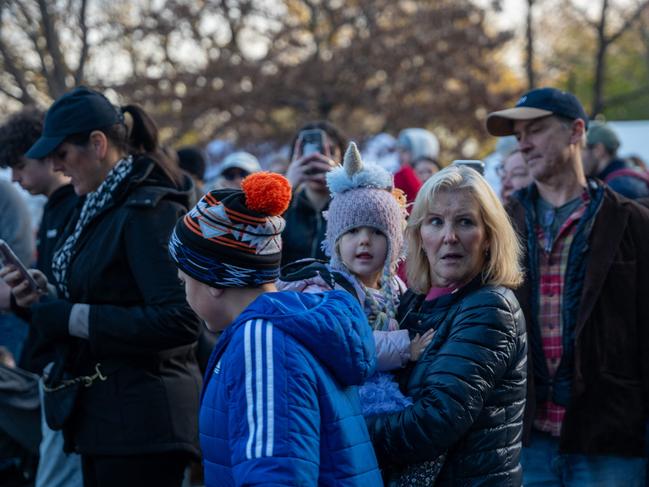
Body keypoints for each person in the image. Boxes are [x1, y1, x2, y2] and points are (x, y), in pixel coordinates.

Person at [1, 86, 202, 487]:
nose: (58, 167)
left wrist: (71, 316)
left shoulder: (148, 208)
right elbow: (104, 292)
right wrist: (42, 298)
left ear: (97, 145)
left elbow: (180, 320)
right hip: (111, 423)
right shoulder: (101, 204)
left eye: (62, 154)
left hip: (145, 428)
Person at [168, 172, 382, 486]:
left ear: (214, 281)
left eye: (185, 281)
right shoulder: (281, 330)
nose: (185, 293)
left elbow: (275, 475)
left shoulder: (262, 341)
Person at [487, 87, 649, 485]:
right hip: (524, 440)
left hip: (610, 440)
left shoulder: (633, 223)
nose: (523, 144)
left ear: (577, 131)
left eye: (536, 130)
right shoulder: (499, 226)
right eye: (519, 135)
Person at [366, 164, 527, 485]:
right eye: (435, 222)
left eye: (465, 222)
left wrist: (340, 428)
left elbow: (434, 423)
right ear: (419, 235)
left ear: (488, 237)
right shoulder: (413, 301)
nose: (449, 236)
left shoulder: (489, 305)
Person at [279, 142, 434, 415]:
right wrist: (405, 348)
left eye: (376, 232)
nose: (364, 241)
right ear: (335, 242)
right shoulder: (326, 288)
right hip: (343, 405)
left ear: (394, 241)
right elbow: (343, 341)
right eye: (352, 232)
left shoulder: (396, 288)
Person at [0, 107, 82, 486]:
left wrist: (19, 298)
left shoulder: (76, 207)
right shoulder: (53, 209)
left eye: (20, 166)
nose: (15, 179)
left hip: (70, 376)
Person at [282, 120, 347, 266]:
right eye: (310, 151)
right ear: (295, 158)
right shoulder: (285, 207)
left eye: (329, 151)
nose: (316, 159)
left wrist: (340, 185)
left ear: (342, 159)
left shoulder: (350, 206)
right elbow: (258, 239)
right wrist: (286, 187)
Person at [582, 120, 649, 199]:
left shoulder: (618, 189)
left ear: (598, 150)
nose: (577, 157)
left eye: (581, 149)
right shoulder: (624, 178)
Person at [394, 128, 440, 201]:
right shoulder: (401, 173)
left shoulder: (405, 173)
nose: (399, 155)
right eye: (399, 150)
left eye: (404, 150)